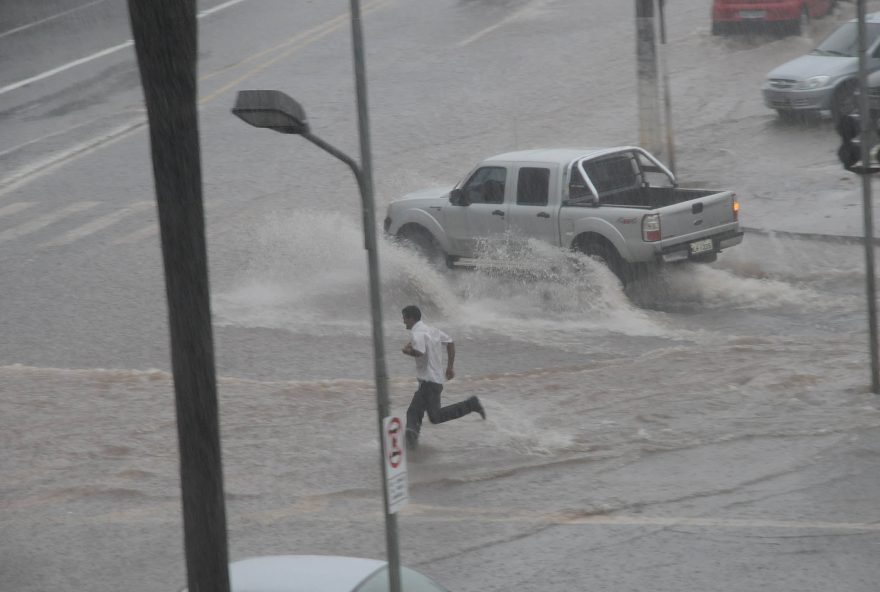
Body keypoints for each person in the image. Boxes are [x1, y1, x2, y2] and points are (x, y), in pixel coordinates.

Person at [400, 305, 485, 450]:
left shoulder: (417, 333)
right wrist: (450, 367)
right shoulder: (432, 331)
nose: (404, 322)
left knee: (413, 412)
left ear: (411, 318)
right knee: (435, 416)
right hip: (435, 382)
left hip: (428, 383)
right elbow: (450, 342)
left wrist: (406, 351)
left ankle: (411, 443)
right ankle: (471, 404)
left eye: (405, 319)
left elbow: (419, 352)